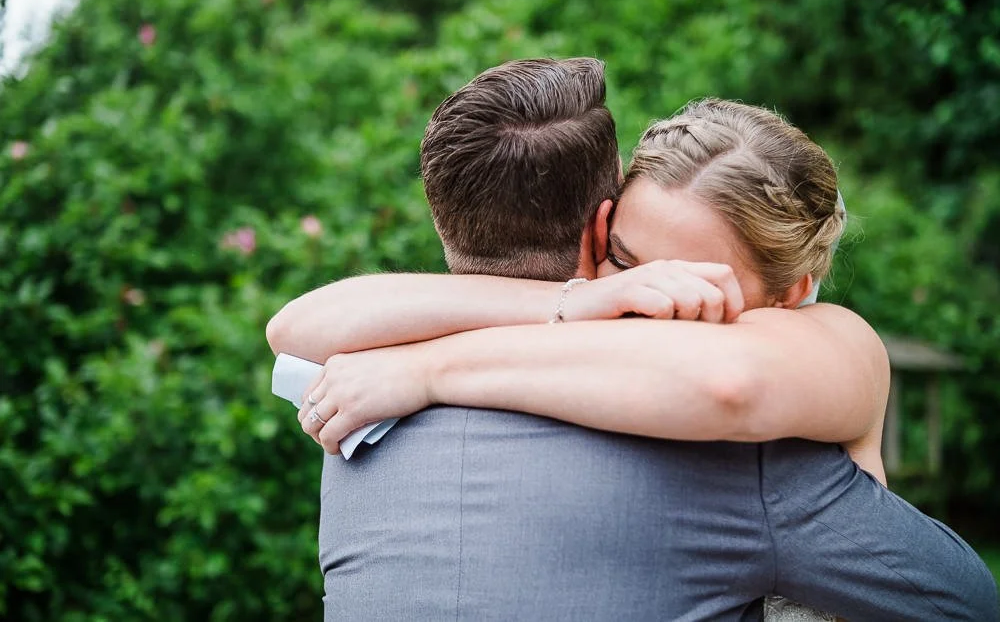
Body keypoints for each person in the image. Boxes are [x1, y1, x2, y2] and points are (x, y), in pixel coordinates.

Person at [267, 60, 998, 620]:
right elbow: (293, 327)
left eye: (694, 290)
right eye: (628, 262)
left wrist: (428, 370)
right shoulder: (591, 321)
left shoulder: (794, 381)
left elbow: (728, 384)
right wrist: (583, 296)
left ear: (791, 295)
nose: (648, 307)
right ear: (599, 233)